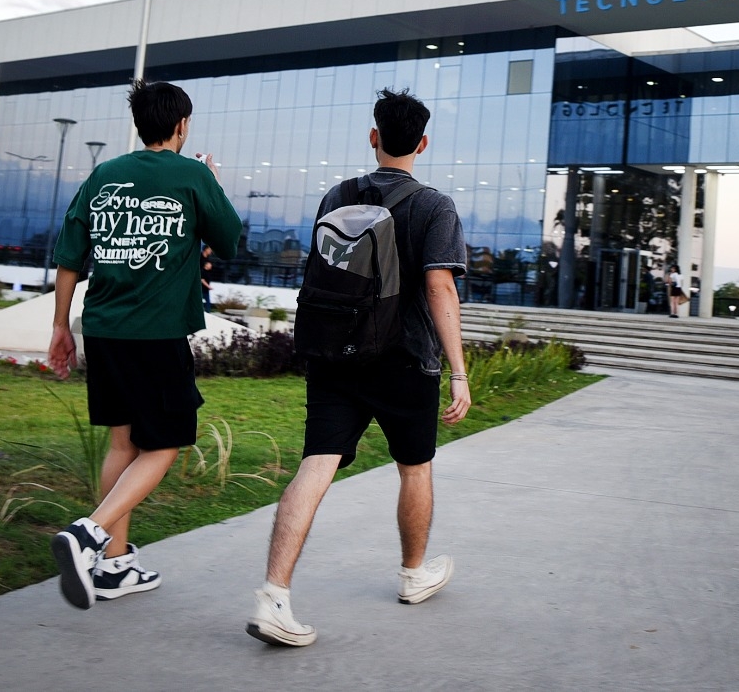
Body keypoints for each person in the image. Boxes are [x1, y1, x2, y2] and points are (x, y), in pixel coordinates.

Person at [248, 88, 471, 648]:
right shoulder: (434, 206)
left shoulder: (337, 195)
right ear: (422, 144)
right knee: (414, 467)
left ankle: (274, 596)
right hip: (405, 359)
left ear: (374, 137)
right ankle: (413, 574)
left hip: (335, 356)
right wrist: (459, 371)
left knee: (316, 465)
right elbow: (440, 287)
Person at [45, 80, 243, 610]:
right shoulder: (193, 175)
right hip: (156, 334)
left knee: (123, 445)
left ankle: (114, 566)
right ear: (182, 126)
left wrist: (60, 327)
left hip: (103, 330)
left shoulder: (104, 175)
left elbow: (69, 258)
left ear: (140, 125)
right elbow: (229, 240)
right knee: (165, 444)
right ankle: (89, 534)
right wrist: (211, 183)